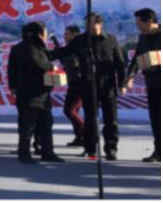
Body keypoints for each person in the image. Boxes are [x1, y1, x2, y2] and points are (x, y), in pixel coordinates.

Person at [54, 13, 125, 160]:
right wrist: (44, 54)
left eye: (91, 23)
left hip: (107, 85)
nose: (88, 27)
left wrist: (122, 83)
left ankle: (111, 148)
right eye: (86, 24)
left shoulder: (111, 39)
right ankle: (90, 148)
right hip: (88, 85)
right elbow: (64, 51)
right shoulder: (81, 40)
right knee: (91, 118)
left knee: (111, 119)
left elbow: (119, 62)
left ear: (99, 24)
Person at [15, 21, 64, 164]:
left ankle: (48, 152)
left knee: (46, 123)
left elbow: (48, 57)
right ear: (39, 33)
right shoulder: (29, 47)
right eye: (45, 31)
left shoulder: (39, 47)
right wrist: (51, 67)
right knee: (29, 125)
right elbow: (36, 63)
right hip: (31, 94)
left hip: (42, 93)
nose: (47, 34)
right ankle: (24, 153)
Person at [124, 8, 160, 162]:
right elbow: (136, 58)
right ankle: (158, 151)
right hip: (152, 83)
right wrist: (130, 76)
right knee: (156, 119)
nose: (138, 27)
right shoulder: (143, 37)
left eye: (140, 24)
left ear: (150, 21)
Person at [8, 24, 43, 156]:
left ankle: (24, 146)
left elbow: (11, 70)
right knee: (34, 119)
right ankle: (35, 145)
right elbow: (12, 69)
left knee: (23, 119)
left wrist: (13, 86)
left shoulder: (16, 48)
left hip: (21, 89)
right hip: (34, 90)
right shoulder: (35, 48)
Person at [60, 25, 84, 147]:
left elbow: (76, 65)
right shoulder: (68, 49)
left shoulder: (79, 48)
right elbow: (66, 64)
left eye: (67, 34)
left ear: (75, 35)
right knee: (72, 111)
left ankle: (85, 132)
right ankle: (79, 137)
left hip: (80, 84)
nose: (65, 36)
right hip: (73, 84)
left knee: (70, 111)